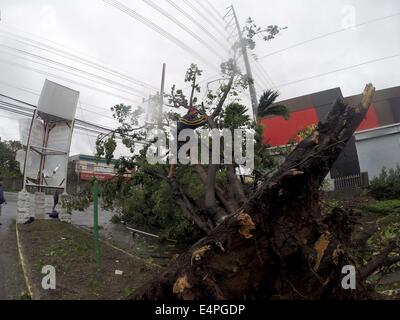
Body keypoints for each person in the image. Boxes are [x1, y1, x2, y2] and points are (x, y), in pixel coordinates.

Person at [167, 106, 208, 179]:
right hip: (183, 135)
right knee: (193, 144)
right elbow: (194, 123)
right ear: (190, 111)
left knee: (175, 154)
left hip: (179, 137)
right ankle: (193, 160)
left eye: (196, 114)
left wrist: (203, 121)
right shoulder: (187, 117)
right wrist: (204, 118)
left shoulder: (188, 119)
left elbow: (195, 125)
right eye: (195, 113)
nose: (196, 115)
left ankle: (171, 173)